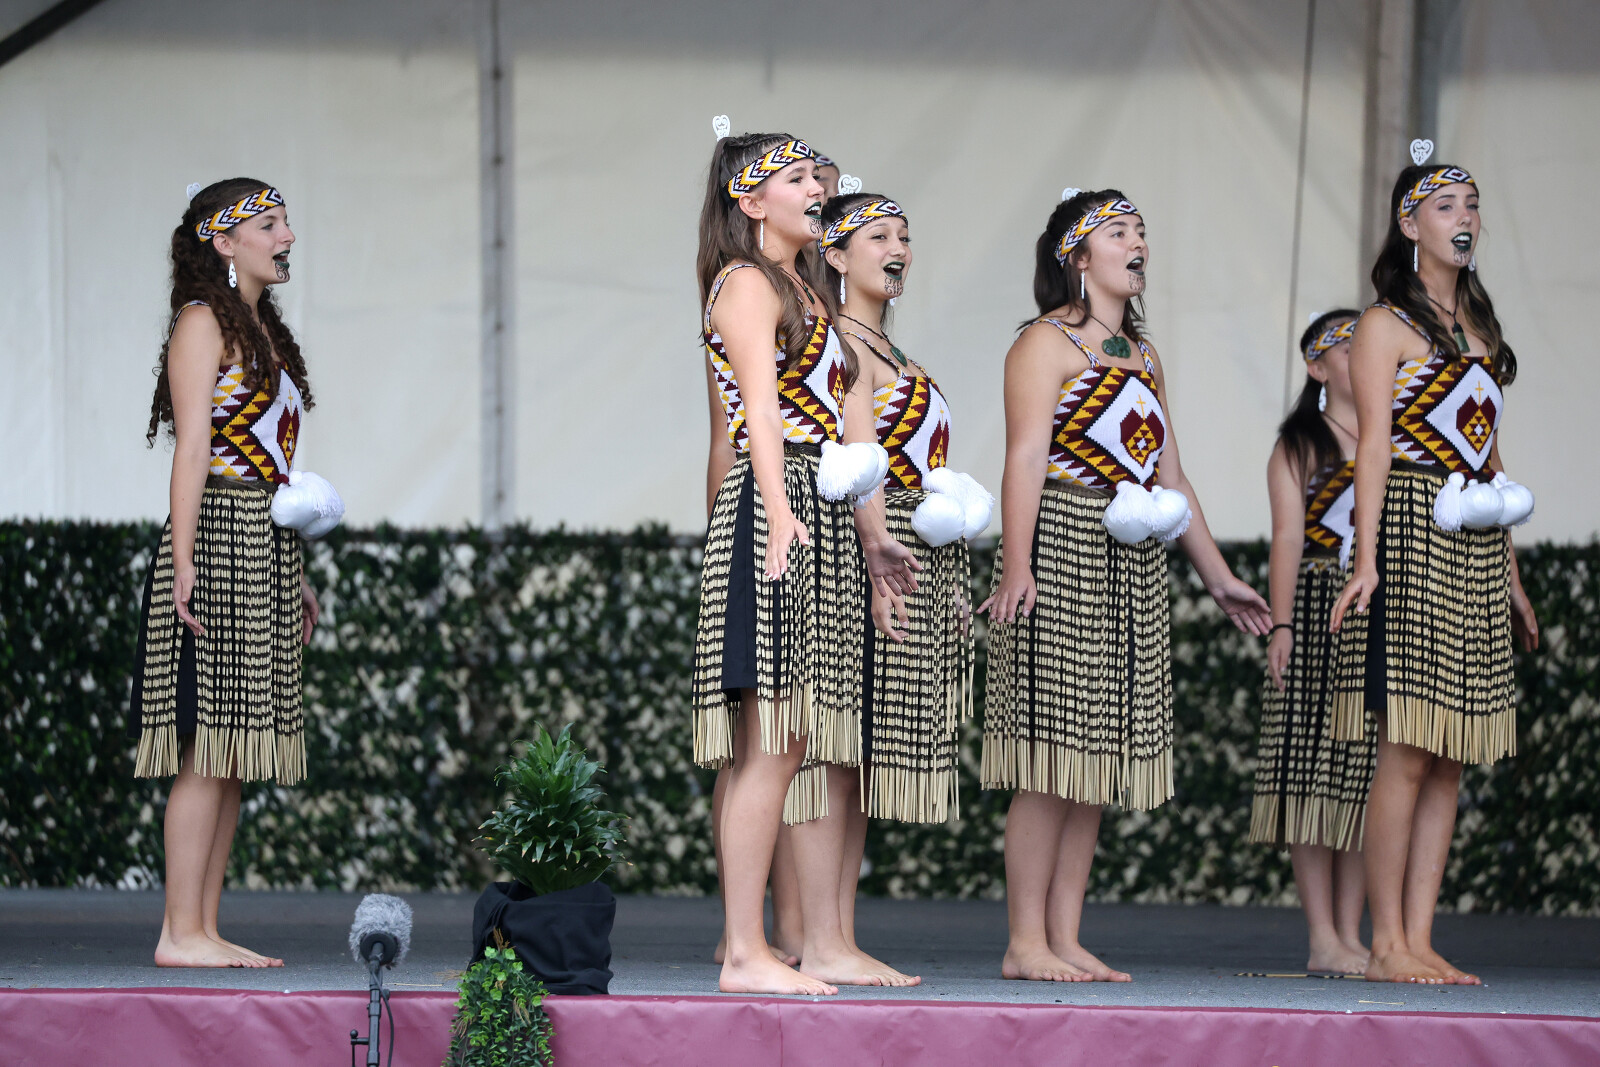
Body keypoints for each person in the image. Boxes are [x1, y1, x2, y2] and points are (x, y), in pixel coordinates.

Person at [981, 189, 1272, 982]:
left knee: (1095, 758)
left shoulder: (1144, 356)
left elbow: (1172, 476)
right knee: (1051, 755)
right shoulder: (1043, 344)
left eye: (1140, 229)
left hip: (1132, 559)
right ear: (1077, 256)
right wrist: (1017, 564)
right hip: (1065, 544)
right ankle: (1024, 941)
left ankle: (1065, 934)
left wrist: (1219, 577)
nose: (1137, 241)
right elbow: (1024, 459)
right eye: (1118, 231)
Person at [691, 131, 918, 994]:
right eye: (793, 179)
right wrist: (779, 510)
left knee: (799, 739)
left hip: (819, 503)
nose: (814, 187)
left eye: (813, 177)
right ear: (751, 201)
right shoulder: (745, 282)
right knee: (773, 740)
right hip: (775, 502)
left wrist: (874, 534)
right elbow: (757, 412)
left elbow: (855, 431)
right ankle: (744, 950)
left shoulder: (808, 291)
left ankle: (797, 943)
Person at [1330, 154, 1538, 985]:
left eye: (1472, 204)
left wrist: (1512, 573)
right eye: (1445, 204)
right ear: (1409, 224)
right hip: (1414, 529)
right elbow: (1375, 448)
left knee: (1451, 751)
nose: (1464, 216)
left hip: (1477, 536)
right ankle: (1384, 941)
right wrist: (1367, 557)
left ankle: (1417, 936)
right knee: (1409, 744)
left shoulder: (1479, 328)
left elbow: (1490, 457)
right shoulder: (1384, 324)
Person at [131, 178, 317, 968]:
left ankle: (203, 927)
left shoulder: (261, 328)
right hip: (216, 534)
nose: (286, 236)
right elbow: (193, 451)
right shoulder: (202, 320)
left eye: (285, 222)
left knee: (234, 749)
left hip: (263, 538)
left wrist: (294, 572)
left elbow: (267, 462)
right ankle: (178, 931)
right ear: (224, 239)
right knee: (208, 742)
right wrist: (183, 560)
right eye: (270, 224)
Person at [1249, 309, 1376, 975]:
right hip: (1317, 605)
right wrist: (1282, 624)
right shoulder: (1299, 444)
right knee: (1306, 766)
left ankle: (1352, 934)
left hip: (1377, 610)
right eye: (1348, 346)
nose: (1363, 355)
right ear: (1317, 366)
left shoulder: (1396, 432)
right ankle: (1323, 935)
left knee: (1363, 772)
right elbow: (1287, 539)